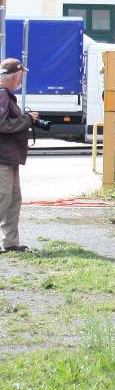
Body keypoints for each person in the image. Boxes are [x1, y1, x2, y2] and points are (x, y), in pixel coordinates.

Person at [0, 59, 38, 253]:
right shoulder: (2, 95)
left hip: (9, 158)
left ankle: (11, 243)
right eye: (20, 76)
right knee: (3, 198)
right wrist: (27, 120)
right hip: (2, 158)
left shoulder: (5, 95)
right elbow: (2, 124)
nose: (21, 80)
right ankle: (9, 242)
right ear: (14, 76)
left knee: (14, 199)